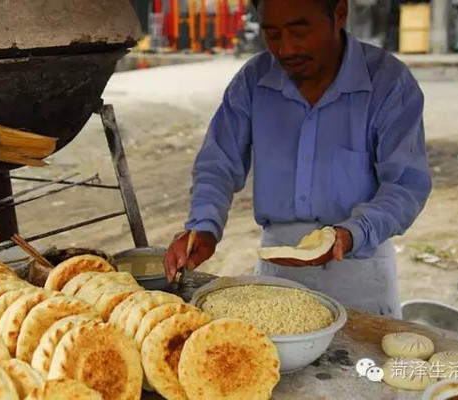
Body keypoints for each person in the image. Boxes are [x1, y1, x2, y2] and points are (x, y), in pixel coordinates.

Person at [163, 0, 432, 318]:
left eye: (299, 31)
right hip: (278, 270)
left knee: (362, 364)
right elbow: (217, 163)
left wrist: (352, 233)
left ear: (340, 14)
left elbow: (405, 186)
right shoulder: (253, 81)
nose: (286, 49)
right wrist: (203, 227)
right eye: (272, 34)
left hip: (359, 265)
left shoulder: (389, 84)